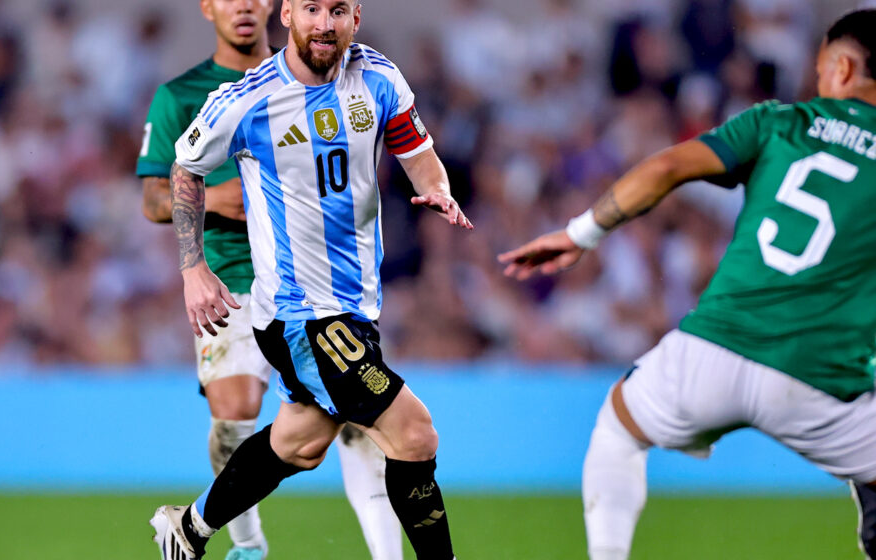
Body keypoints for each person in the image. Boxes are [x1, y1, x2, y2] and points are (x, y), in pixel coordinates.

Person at [497, 9, 876, 560]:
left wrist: (581, 233)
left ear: (841, 67)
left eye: (820, 67)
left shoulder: (776, 122)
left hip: (714, 348)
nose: (817, 80)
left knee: (619, 427)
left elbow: (666, 168)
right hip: (820, 378)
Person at [150, 1, 472, 558]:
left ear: (357, 17)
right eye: (312, 9)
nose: (325, 23)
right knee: (414, 435)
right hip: (302, 315)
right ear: (288, 16)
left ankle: (189, 528)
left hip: (356, 307)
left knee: (299, 444)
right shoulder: (247, 100)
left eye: (338, 10)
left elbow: (419, 153)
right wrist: (192, 268)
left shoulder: (379, 78)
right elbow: (186, 168)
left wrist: (437, 187)